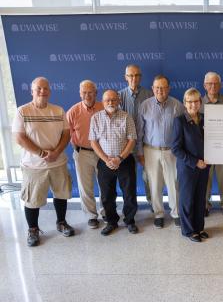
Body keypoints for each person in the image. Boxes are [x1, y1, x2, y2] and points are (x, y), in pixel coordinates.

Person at [12, 77, 74, 247]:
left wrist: (56, 152)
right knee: (32, 199)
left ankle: (61, 223)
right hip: (33, 165)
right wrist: (41, 153)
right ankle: (33, 230)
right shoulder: (22, 111)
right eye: (38, 88)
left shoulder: (58, 111)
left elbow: (66, 134)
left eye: (45, 88)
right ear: (32, 91)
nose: (42, 91)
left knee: (61, 195)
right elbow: (19, 137)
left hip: (58, 162)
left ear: (49, 91)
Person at [136, 75, 184, 229]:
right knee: (154, 184)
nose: (160, 91)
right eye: (157, 88)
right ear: (152, 89)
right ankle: (158, 214)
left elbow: (182, 132)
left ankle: (176, 213)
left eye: (163, 87)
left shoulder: (177, 105)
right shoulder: (144, 105)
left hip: (172, 151)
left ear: (168, 88)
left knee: (174, 183)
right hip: (150, 150)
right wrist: (140, 153)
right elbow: (139, 131)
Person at [89, 89, 138, 236]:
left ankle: (130, 221)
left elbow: (132, 140)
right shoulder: (96, 118)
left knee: (129, 193)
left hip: (124, 160)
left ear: (119, 101)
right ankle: (111, 221)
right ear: (102, 102)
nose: (110, 102)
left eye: (113, 100)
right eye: (107, 100)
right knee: (106, 195)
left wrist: (120, 158)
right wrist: (106, 159)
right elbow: (93, 142)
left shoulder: (126, 117)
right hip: (105, 162)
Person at [172, 88, 210, 242]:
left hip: (205, 166)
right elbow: (176, 148)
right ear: (184, 103)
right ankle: (188, 230)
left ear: (200, 102)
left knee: (201, 198)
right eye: (190, 101)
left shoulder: (205, 119)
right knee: (187, 199)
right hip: (188, 168)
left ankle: (199, 228)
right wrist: (195, 162)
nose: (193, 104)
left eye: (196, 101)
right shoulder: (179, 121)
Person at [66, 80, 105, 229]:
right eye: (84, 92)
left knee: (105, 185)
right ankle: (91, 216)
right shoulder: (73, 111)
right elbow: (66, 133)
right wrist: (76, 146)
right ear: (80, 93)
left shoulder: (104, 108)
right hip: (82, 153)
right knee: (85, 187)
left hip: (103, 153)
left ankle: (106, 212)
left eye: (90, 92)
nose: (87, 95)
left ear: (96, 93)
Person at [118, 64, 154, 208]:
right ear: (125, 77)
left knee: (149, 176)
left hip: (145, 143)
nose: (134, 78)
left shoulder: (149, 94)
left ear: (140, 77)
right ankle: (131, 207)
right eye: (131, 75)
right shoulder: (118, 96)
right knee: (129, 179)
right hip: (126, 146)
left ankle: (153, 202)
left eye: (137, 75)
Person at [200, 72, 223, 217]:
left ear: (220, 85)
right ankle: (205, 205)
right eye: (210, 83)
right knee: (205, 177)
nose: (212, 86)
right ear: (204, 85)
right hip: (204, 147)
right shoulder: (198, 103)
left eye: (215, 83)